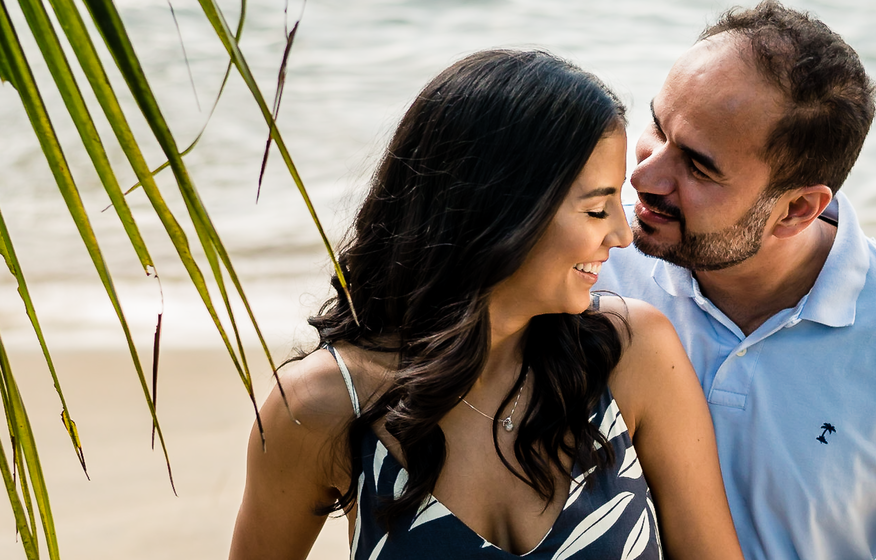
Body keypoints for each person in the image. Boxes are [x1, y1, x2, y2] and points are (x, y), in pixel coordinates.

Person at [229, 50, 744, 560]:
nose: (622, 234)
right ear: (502, 211)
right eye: (595, 208)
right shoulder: (322, 407)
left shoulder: (630, 353)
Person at [596, 0, 876, 560]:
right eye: (657, 125)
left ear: (797, 209)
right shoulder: (592, 258)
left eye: (698, 167)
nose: (643, 175)